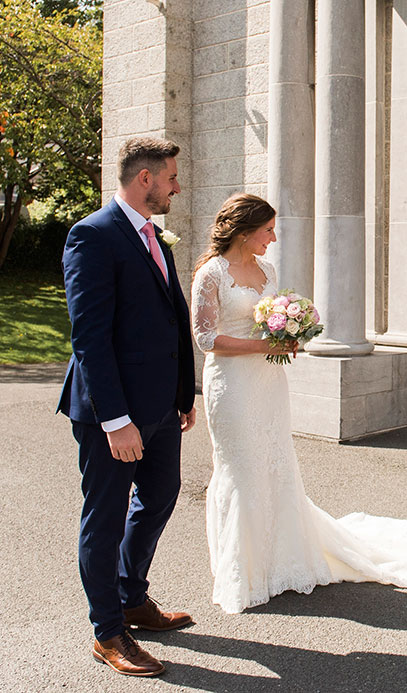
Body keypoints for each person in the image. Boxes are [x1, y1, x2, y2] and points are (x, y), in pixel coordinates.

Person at [190, 194, 407, 614]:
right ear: (244, 232)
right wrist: (263, 344)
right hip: (232, 386)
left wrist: (287, 334)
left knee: (275, 462)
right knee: (241, 469)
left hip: (268, 382)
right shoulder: (211, 273)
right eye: (268, 230)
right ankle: (244, 570)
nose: (273, 238)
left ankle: (279, 562)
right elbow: (206, 338)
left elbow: (266, 320)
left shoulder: (267, 270)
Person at [58, 137, 197, 677]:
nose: (176, 187)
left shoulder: (155, 236)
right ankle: (108, 631)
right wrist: (116, 421)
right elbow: (89, 338)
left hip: (161, 407)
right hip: (112, 413)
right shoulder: (92, 235)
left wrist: (182, 395)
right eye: (171, 178)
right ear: (145, 178)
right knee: (106, 517)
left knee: (160, 495)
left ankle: (131, 596)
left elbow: (169, 319)